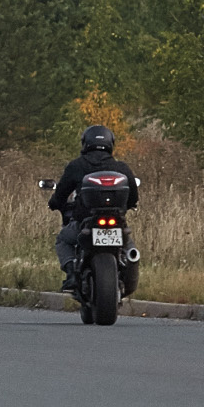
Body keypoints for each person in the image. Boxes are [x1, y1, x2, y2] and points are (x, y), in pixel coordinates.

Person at [48, 124, 139, 292]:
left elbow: (60, 194)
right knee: (130, 248)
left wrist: (55, 203)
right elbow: (134, 196)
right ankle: (129, 268)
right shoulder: (121, 168)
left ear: (85, 143)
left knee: (63, 240)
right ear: (111, 143)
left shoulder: (76, 166)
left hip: (85, 222)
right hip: (117, 221)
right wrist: (128, 206)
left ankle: (72, 275)